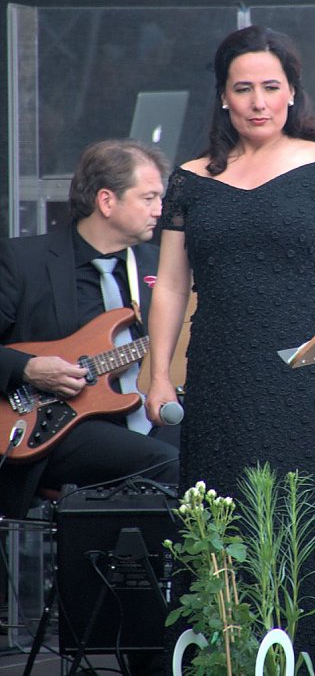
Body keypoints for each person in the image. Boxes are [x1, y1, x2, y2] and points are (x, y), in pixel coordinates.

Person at [146, 25, 315, 673]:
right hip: (220, 371)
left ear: (292, 92)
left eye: (271, 87)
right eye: (242, 88)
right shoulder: (189, 180)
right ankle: (228, 657)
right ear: (222, 97)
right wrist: (157, 373)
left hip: (311, 369)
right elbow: (170, 289)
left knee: (314, 512)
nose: (258, 101)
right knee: (228, 518)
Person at [0, 139, 179, 521]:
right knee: (169, 463)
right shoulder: (24, 261)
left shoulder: (162, 267)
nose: (159, 210)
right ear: (106, 201)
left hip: (147, 416)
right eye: (148, 198)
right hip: (52, 430)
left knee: (217, 451)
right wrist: (27, 369)